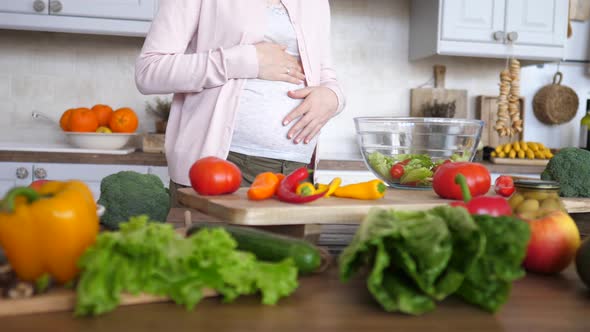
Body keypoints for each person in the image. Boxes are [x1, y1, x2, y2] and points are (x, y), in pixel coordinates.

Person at [135, 0, 345, 207]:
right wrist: (247, 59)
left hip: (298, 171)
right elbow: (150, 71)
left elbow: (324, 73)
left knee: (296, 243)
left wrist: (333, 97)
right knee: (210, 241)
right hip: (220, 167)